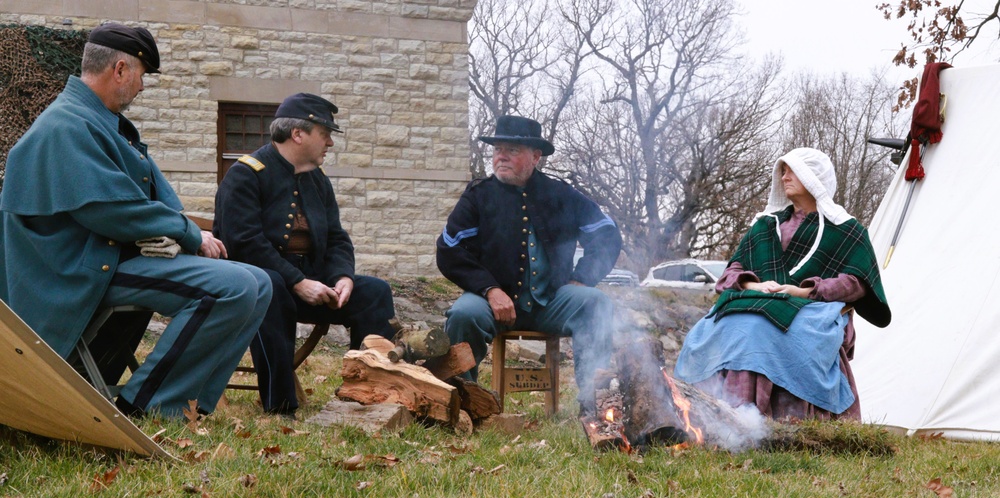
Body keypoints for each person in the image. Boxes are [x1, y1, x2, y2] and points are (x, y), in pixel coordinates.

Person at [0, 23, 272, 419]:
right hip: (76, 271)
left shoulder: (92, 120)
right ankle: (148, 406)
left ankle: (194, 404)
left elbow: (135, 199)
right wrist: (188, 233)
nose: (142, 88)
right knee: (232, 287)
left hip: (107, 257)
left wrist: (183, 230)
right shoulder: (66, 125)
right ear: (121, 69)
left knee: (259, 283)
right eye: (142, 76)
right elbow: (109, 210)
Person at [673, 147, 891, 421]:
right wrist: (755, 286)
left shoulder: (847, 230)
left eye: (791, 171)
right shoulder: (765, 225)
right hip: (753, 301)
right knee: (713, 329)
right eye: (782, 171)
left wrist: (803, 291)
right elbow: (730, 273)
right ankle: (707, 418)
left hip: (812, 310)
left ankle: (754, 420)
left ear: (813, 177)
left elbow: (856, 284)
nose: (784, 177)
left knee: (755, 329)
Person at [214, 93, 397, 416]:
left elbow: (338, 237)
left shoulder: (317, 180)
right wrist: (297, 281)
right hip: (258, 283)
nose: (330, 143)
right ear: (298, 134)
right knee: (270, 285)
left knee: (375, 292)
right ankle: (280, 405)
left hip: (311, 281)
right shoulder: (246, 174)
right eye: (324, 134)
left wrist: (343, 276)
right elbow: (245, 243)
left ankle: (368, 394)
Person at [437, 115, 622, 415]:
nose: (501, 156)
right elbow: (449, 249)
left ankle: (596, 409)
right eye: (498, 149)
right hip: (491, 303)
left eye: (512, 149)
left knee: (596, 304)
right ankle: (460, 407)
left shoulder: (561, 195)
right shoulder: (479, 196)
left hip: (551, 302)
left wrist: (583, 278)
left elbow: (606, 233)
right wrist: (489, 288)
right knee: (462, 314)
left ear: (536, 157)